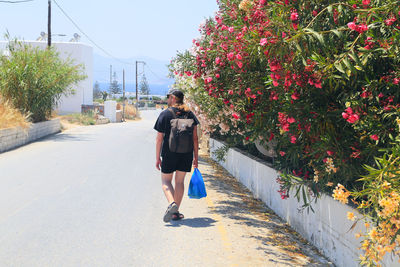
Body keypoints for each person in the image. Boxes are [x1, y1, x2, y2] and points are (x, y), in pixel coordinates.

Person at [154, 89, 200, 222]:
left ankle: (171, 204)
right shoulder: (190, 114)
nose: (168, 99)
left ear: (173, 98)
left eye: (169, 97)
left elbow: (159, 139)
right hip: (186, 153)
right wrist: (195, 157)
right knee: (179, 182)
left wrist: (157, 158)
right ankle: (175, 213)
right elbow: (195, 138)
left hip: (169, 153)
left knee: (166, 181)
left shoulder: (165, 114)